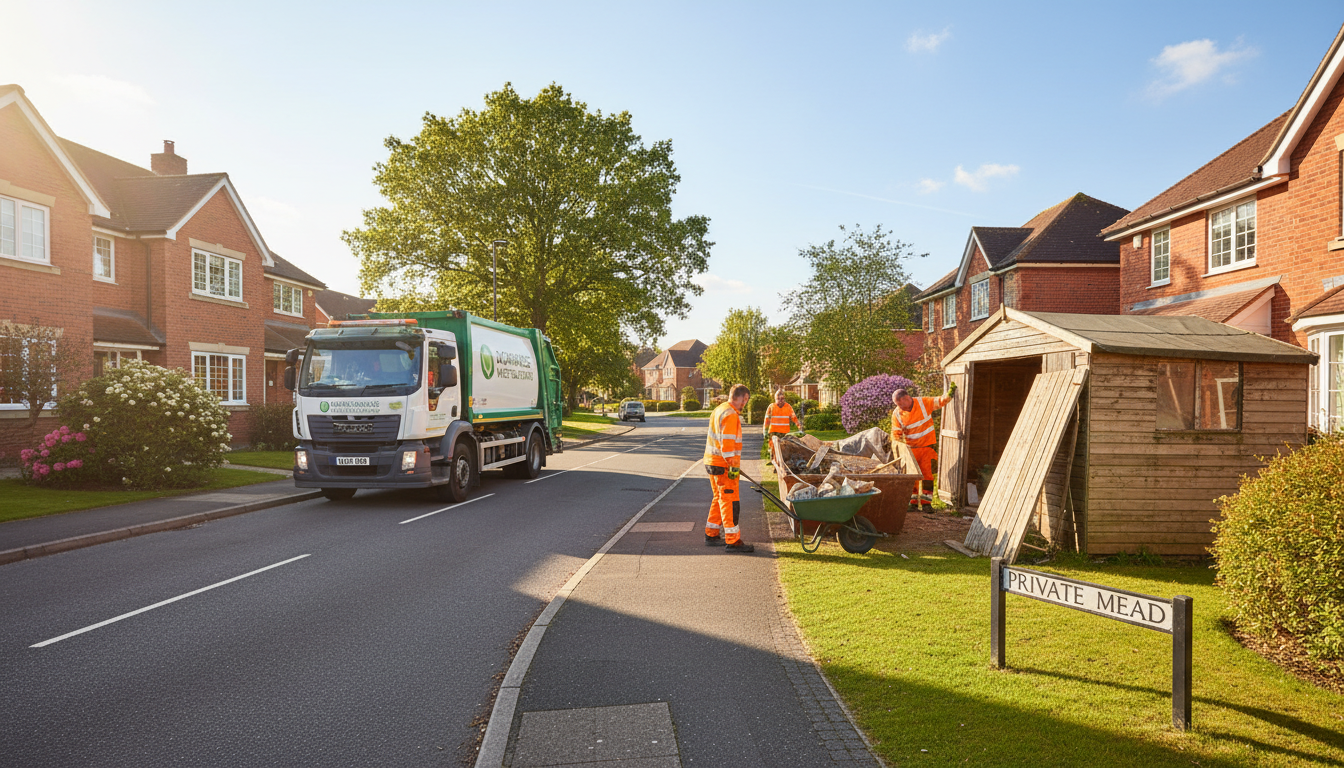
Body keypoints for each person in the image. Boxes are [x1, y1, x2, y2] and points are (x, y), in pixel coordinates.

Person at [891, 383, 956, 512]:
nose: (899, 407)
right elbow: (896, 433)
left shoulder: (923, 403)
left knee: (927, 475)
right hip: (910, 449)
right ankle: (913, 502)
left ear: (906, 398)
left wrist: (950, 394)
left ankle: (927, 503)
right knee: (912, 476)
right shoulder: (897, 413)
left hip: (927, 447)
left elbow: (940, 401)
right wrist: (898, 449)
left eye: (900, 404)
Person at [704, 384, 754, 553]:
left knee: (718, 497)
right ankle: (732, 540)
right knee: (730, 501)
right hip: (724, 464)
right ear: (743, 397)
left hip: (712, 461)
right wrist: (733, 466)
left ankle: (711, 533)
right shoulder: (731, 415)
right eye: (745, 400)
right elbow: (727, 445)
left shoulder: (719, 409)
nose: (745, 404)